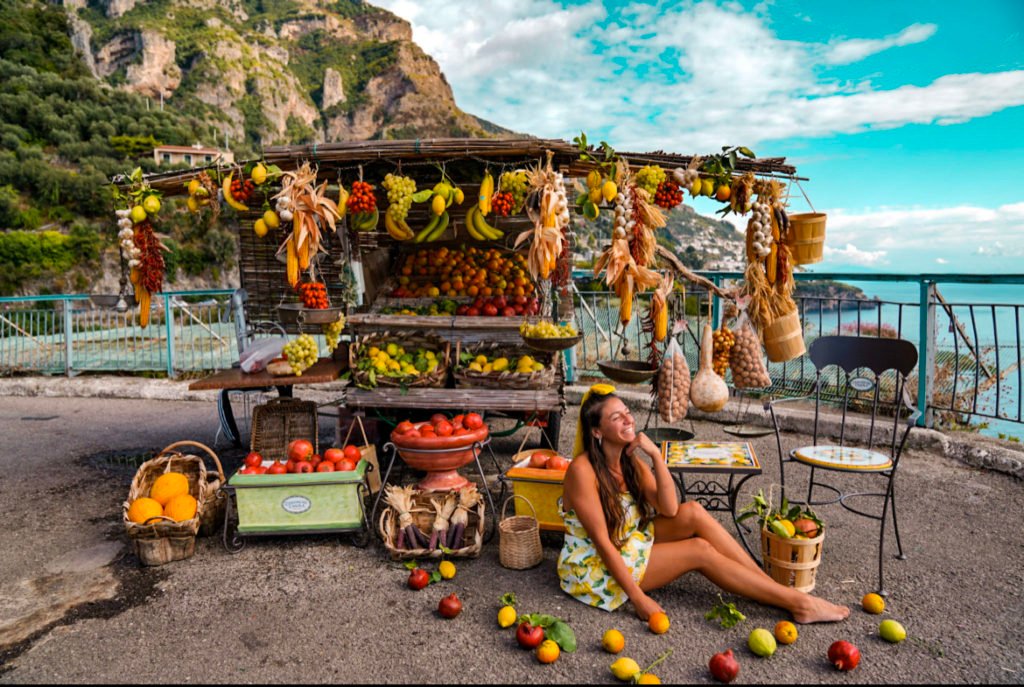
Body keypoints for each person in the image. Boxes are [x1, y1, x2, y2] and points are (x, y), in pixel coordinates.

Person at [557, 385, 850, 623]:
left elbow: (670, 509)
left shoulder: (629, 461)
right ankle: (798, 603)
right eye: (616, 417)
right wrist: (638, 599)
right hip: (594, 567)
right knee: (700, 551)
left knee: (693, 512)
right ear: (597, 431)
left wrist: (655, 455)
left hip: (628, 540)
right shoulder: (582, 471)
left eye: (627, 412)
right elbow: (602, 543)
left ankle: (768, 588)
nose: (628, 419)